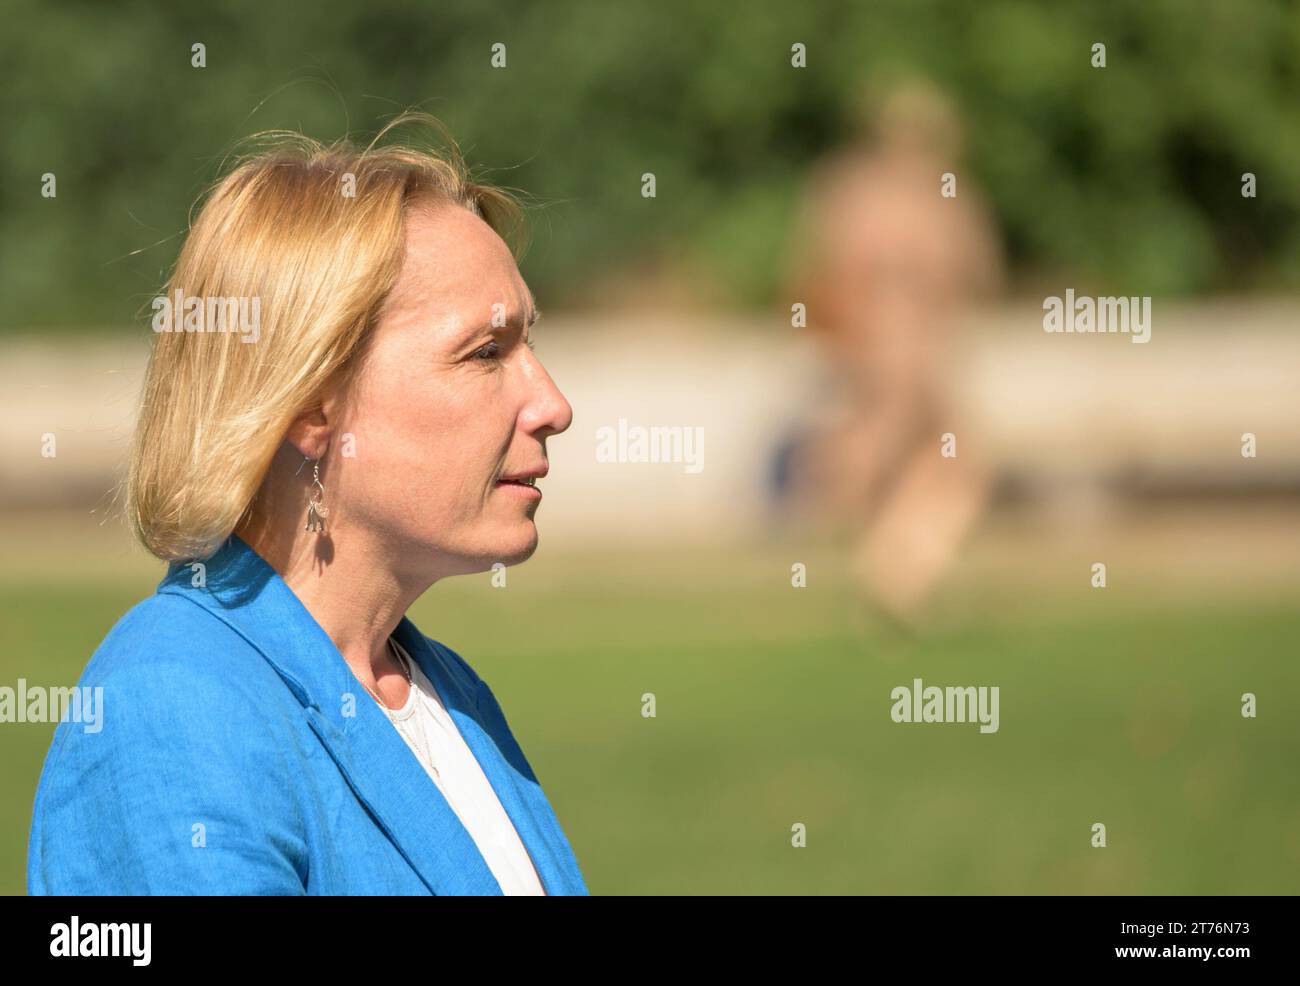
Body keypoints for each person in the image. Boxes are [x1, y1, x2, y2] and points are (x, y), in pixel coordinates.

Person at [27, 115, 588, 895]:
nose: (552, 404)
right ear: (309, 403)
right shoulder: (172, 708)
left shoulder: (443, 692)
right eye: (486, 352)